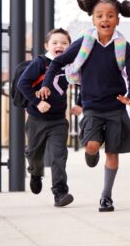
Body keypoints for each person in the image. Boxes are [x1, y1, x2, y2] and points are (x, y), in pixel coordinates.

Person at [39, 0, 130, 212]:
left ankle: (106, 197)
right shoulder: (85, 41)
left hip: (115, 106)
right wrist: (46, 84)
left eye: (110, 16)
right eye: (100, 16)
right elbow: (57, 62)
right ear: (93, 19)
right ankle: (91, 152)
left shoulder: (122, 45)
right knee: (93, 145)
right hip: (92, 106)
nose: (105, 19)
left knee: (113, 152)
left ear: (117, 20)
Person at [17, 28, 79, 207]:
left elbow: (83, 82)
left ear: (70, 46)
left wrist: (81, 103)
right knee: (35, 154)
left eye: (64, 43)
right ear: (47, 45)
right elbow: (23, 83)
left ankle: (60, 193)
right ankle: (35, 173)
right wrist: (37, 102)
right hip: (37, 119)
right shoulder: (40, 63)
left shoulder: (70, 65)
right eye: (55, 42)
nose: (59, 45)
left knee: (59, 156)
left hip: (58, 120)